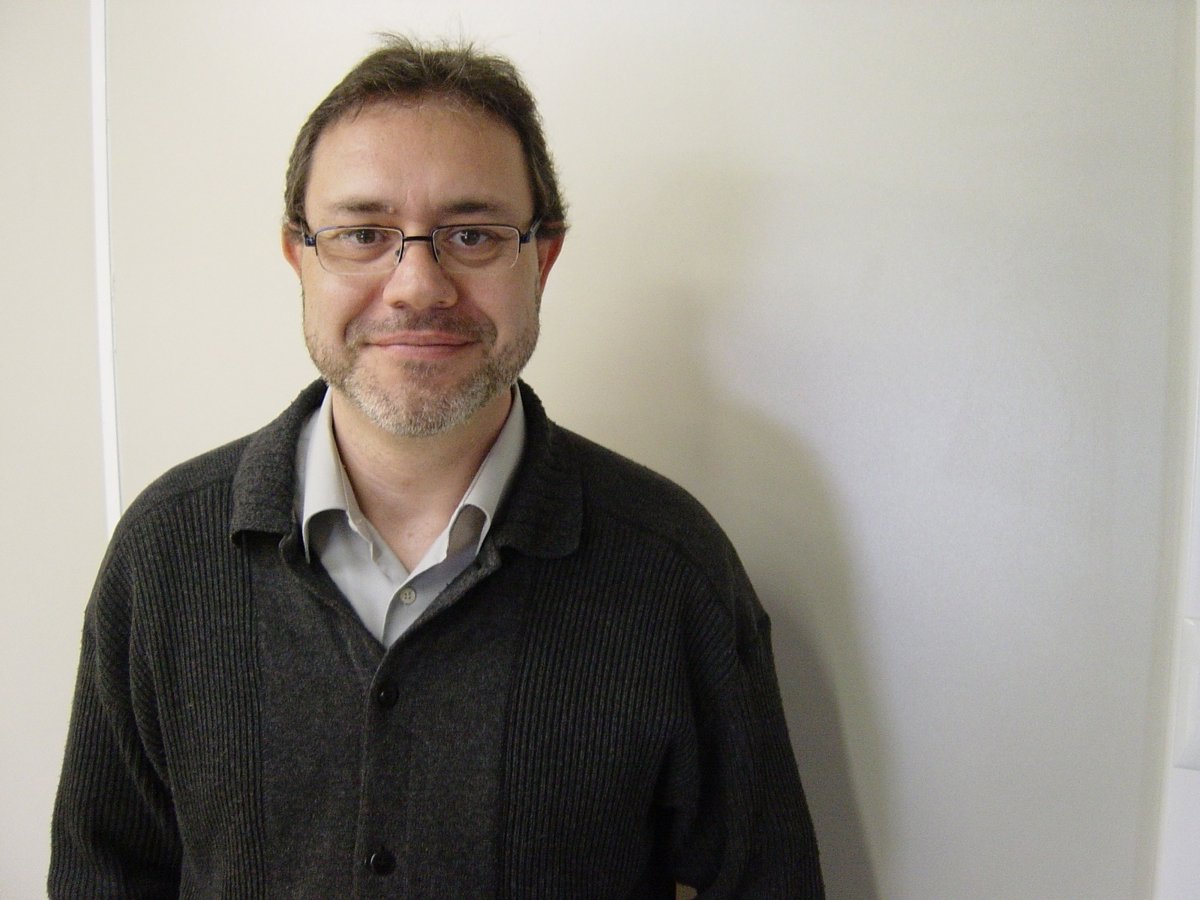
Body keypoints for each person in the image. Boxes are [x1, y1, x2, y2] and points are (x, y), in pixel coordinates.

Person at [50, 35, 824, 898]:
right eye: (362, 233)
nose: (418, 284)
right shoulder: (164, 556)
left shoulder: (669, 568)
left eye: (472, 234)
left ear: (542, 259)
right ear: (299, 256)